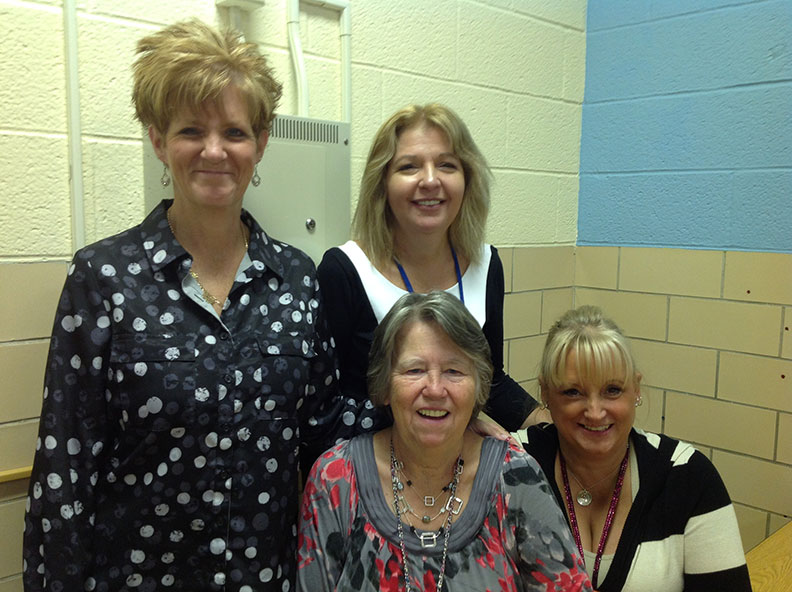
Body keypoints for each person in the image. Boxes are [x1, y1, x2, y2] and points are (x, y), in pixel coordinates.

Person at [23, 20, 341, 592]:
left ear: (261, 141)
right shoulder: (105, 277)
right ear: (157, 140)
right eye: (191, 130)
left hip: (263, 578)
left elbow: (325, 435)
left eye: (234, 132)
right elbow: (65, 468)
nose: (214, 151)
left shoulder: (296, 279)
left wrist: (449, 410)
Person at [297, 291, 593, 591]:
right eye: (415, 370)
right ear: (384, 385)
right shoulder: (335, 479)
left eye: (454, 371)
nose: (435, 389)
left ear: (477, 387)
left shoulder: (516, 477)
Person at [317, 103, 545, 442]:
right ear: (383, 184)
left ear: (467, 179)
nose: (429, 180)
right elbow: (324, 408)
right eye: (409, 166)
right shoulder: (344, 271)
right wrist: (444, 417)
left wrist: (546, 420)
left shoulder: (486, 265)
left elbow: (491, 381)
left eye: (447, 165)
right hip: (371, 463)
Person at [523, 306, 752, 591]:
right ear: (545, 392)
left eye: (612, 390)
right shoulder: (513, 464)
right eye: (573, 392)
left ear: (636, 389)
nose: (595, 412)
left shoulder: (687, 475)